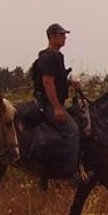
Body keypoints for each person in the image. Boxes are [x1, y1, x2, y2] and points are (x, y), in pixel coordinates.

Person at [30, 22, 83, 183]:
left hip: (54, 102)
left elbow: (57, 81)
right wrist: (57, 108)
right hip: (48, 104)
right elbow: (48, 83)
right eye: (61, 35)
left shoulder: (57, 56)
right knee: (73, 130)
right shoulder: (48, 57)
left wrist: (69, 83)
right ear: (52, 37)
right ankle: (70, 173)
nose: (65, 37)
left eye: (64, 35)